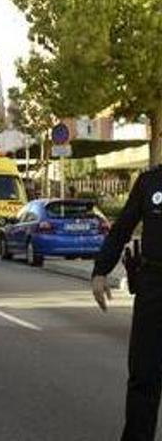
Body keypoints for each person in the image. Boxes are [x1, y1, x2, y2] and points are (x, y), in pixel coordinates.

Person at [92, 166, 162, 440]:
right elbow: (121, 229)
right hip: (154, 286)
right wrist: (100, 270)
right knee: (144, 376)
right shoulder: (150, 182)